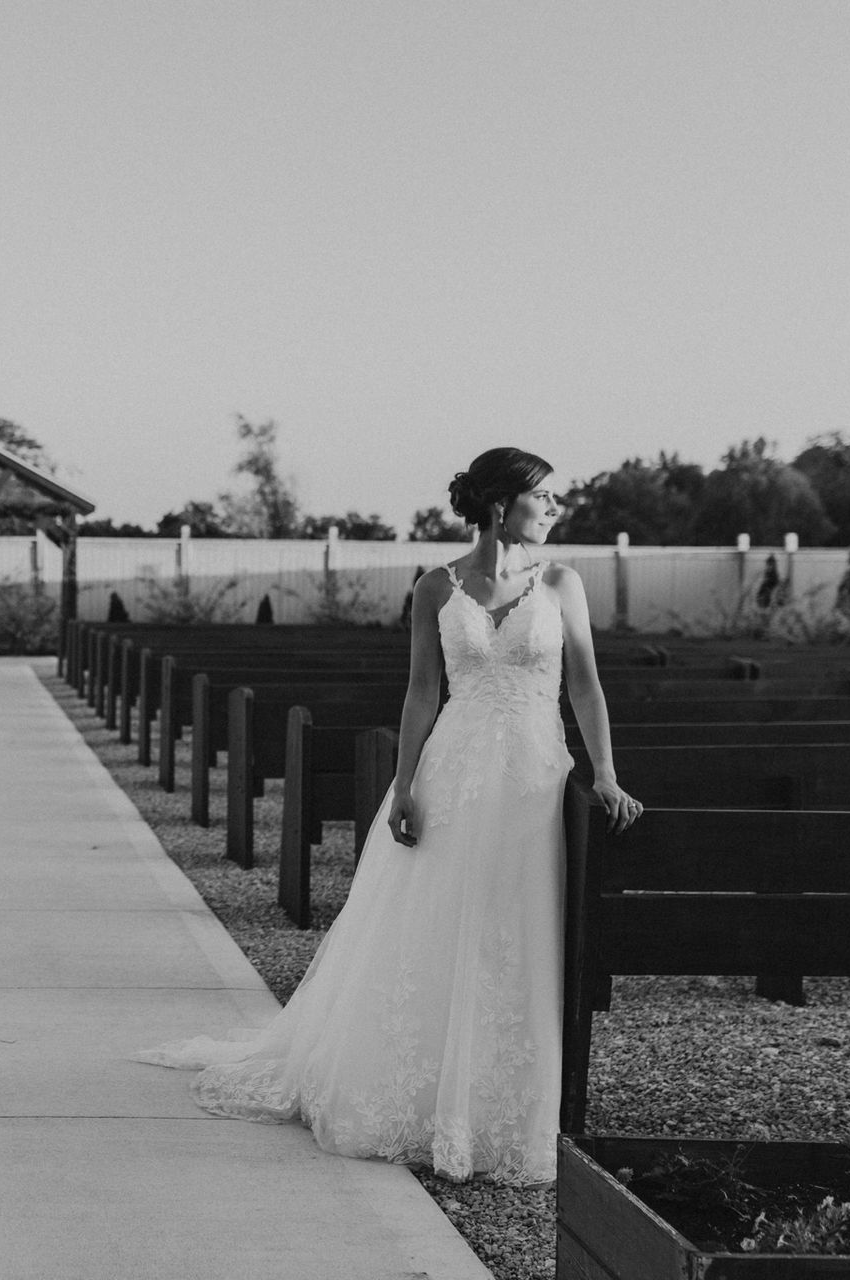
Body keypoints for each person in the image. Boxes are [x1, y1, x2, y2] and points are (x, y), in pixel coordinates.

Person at [137, 446, 641, 1185]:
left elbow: (588, 691)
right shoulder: (436, 589)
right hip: (456, 771)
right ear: (503, 506)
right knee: (435, 925)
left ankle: (500, 1105)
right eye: (546, 498)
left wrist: (606, 775)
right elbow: (420, 693)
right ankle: (421, 1094)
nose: (555, 510)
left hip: (534, 779)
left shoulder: (562, 584)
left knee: (513, 932)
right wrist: (404, 786)